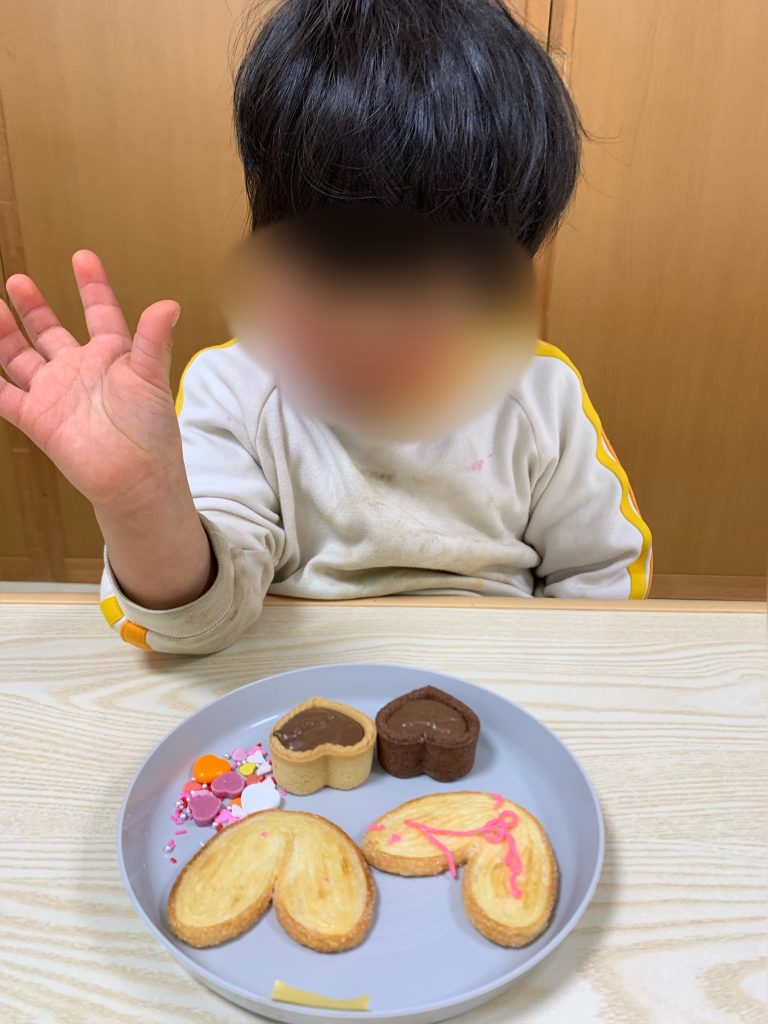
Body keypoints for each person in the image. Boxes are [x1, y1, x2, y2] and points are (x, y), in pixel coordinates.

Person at [0, 0, 651, 655]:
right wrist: (141, 502)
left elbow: (601, 580)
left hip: (498, 676)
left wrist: (556, 682)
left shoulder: (538, 393)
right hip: (290, 678)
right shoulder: (235, 391)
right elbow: (195, 625)